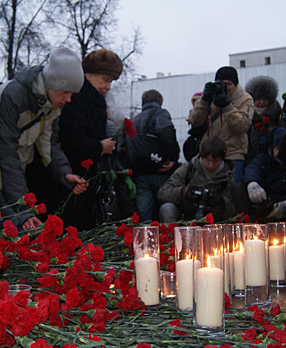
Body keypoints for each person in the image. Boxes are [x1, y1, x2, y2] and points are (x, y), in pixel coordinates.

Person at [0, 47, 88, 231]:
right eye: (65, 92)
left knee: (15, 229)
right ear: (52, 83)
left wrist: (64, 173)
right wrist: (21, 208)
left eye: (72, 94)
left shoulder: (52, 105)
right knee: (3, 228)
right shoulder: (11, 95)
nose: (69, 99)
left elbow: (49, 144)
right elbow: (3, 152)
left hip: (16, 171)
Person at [58, 48, 131, 230]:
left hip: (86, 175)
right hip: (75, 176)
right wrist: (100, 147)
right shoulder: (77, 99)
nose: (108, 86)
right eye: (106, 80)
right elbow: (71, 139)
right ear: (89, 75)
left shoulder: (93, 100)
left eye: (111, 81)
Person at [188, 66, 253, 183]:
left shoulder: (245, 99)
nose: (225, 87)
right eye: (221, 83)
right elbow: (194, 121)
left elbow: (242, 126)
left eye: (229, 84)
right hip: (208, 153)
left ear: (235, 84)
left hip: (232, 152)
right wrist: (203, 101)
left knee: (234, 188)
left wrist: (227, 106)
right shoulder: (210, 96)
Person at [129, 89, 180, 222]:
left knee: (143, 215)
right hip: (161, 172)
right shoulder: (161, 114)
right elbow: (167, 134)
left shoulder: (134, 120)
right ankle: (166, 241)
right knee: (165, 211)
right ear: (160, 101)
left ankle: (144, 240)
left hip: (140, 175)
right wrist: (173, 158)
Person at [158, 137, 235, 222]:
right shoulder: (189, 168)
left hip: (213, 217)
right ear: (202, 156)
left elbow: (233, 210)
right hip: (186, 213)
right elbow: (163, 193)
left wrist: (221, 201)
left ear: (222, 159)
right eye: (208, 160)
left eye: (216, 161)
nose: (211, 165)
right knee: (167, 208)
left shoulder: (227, 176)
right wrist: (183, 192)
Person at [243, 126, 286, 221]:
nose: (280, 153)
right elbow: (252, 169)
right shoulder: (264, 159)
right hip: (267, 202)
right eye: (278, 149)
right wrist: (252, 183)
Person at [244, 76, 282, 165]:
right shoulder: (246, 111)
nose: (261, 102)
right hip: (249, 156)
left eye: (265, 99)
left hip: (270, 156)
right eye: (258, 99)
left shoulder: (276, 112)